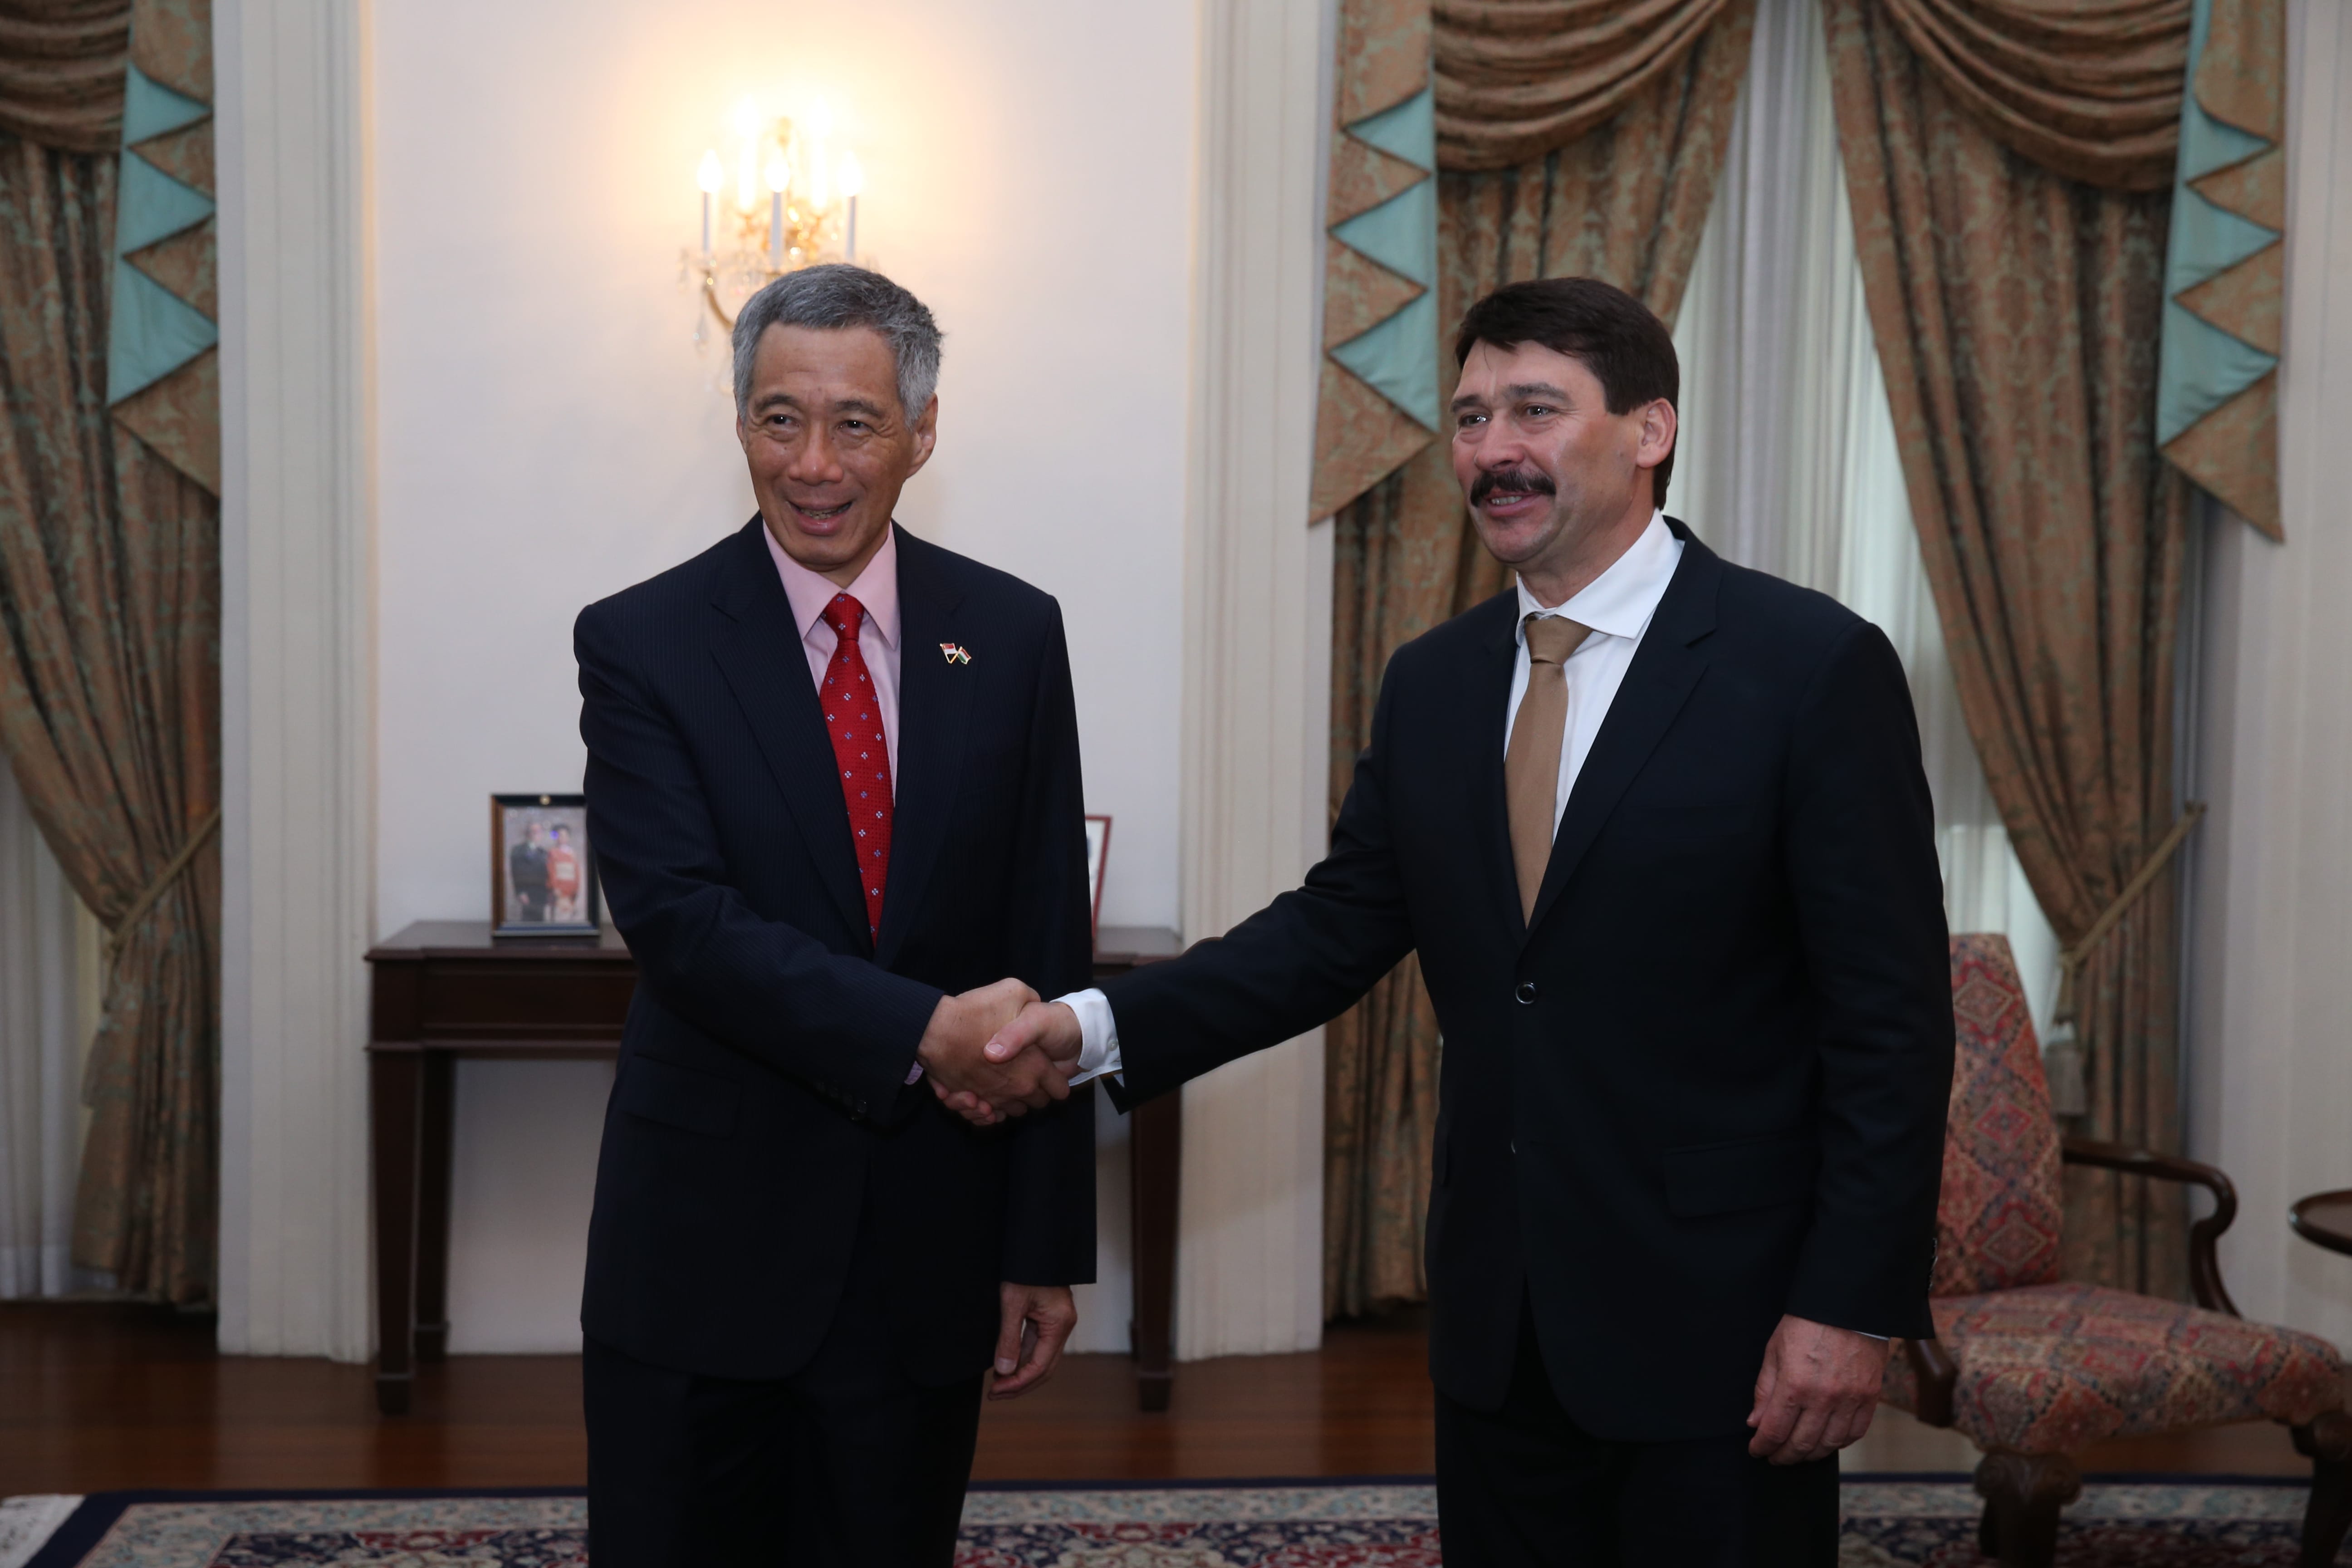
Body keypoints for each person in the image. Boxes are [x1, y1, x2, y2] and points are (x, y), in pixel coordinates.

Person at [976, 277, 1955, 1567]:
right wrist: (1084, 1026)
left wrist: (1847, 1305)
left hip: (1724, 1320)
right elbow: (1331, 934)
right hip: (1499, 1317)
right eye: (1473, 416)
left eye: (1535, 411)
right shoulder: (1434, 683)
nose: (1495, 451)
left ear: (1649, 428)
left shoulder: (1811, 667)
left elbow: (1890, 1022)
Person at [573, 264, 1095, 1567]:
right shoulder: (643, 641)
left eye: (855, 423)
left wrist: (1044, 1242)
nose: (813, 463)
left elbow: (1045, 941)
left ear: (922, 431)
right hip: (701, 1252)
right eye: (777, 419)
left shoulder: (1016, 635)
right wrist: (923, 1027)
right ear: (740, 422)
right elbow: (682, 925)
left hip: (924, 1248)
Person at [507, 819, 551, 922]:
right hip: (527, 893)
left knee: (541, 922)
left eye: (539, 831)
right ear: (528, 833)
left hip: (541, 894)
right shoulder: (518, 850)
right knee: (528, 922)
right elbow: (516, 873)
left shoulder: (544, 853)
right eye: (533, 831)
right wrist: (520, 892)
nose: (536, 834)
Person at [547, 823, 583, 922]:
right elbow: (552, 872)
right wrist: (555, 888)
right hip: (559, 891)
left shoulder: (573, 853)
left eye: (564, 835)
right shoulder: (553, 852)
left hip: (571, 891)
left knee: (570, 918)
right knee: (558, 917)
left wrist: (576, 889)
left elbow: (577, 874)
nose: (561, 838)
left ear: (569, 837)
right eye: (559, 835)